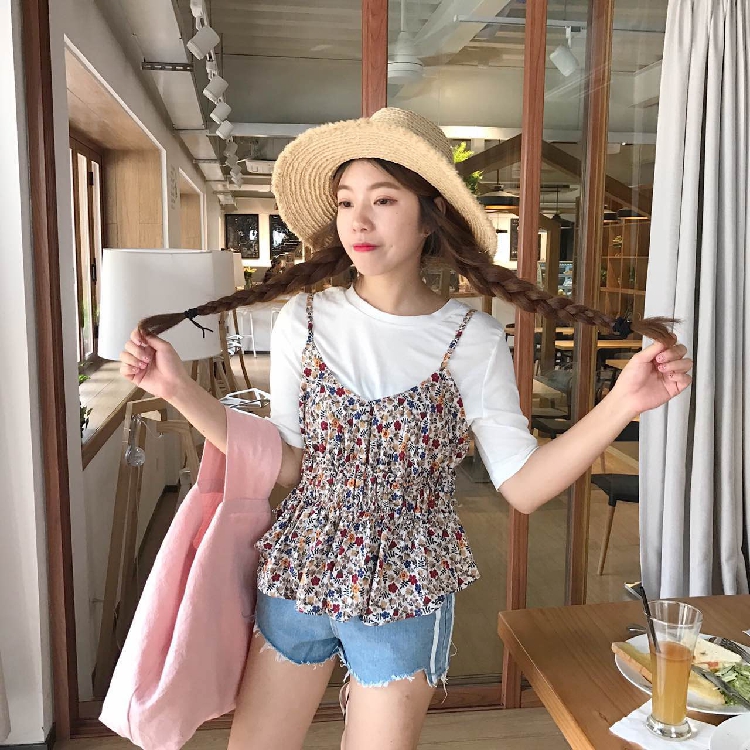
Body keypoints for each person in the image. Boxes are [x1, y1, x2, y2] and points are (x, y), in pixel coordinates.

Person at [118, 108, 692, 750]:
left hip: (409, 585)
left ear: (428, 217)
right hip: (301, 571)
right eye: (346, 202)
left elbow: (524, 487)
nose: (358, 221)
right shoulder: (302, 320)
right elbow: (288, 464)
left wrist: (621, 405)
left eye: (384, 199)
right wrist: (178, 390)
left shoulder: (472, 338)